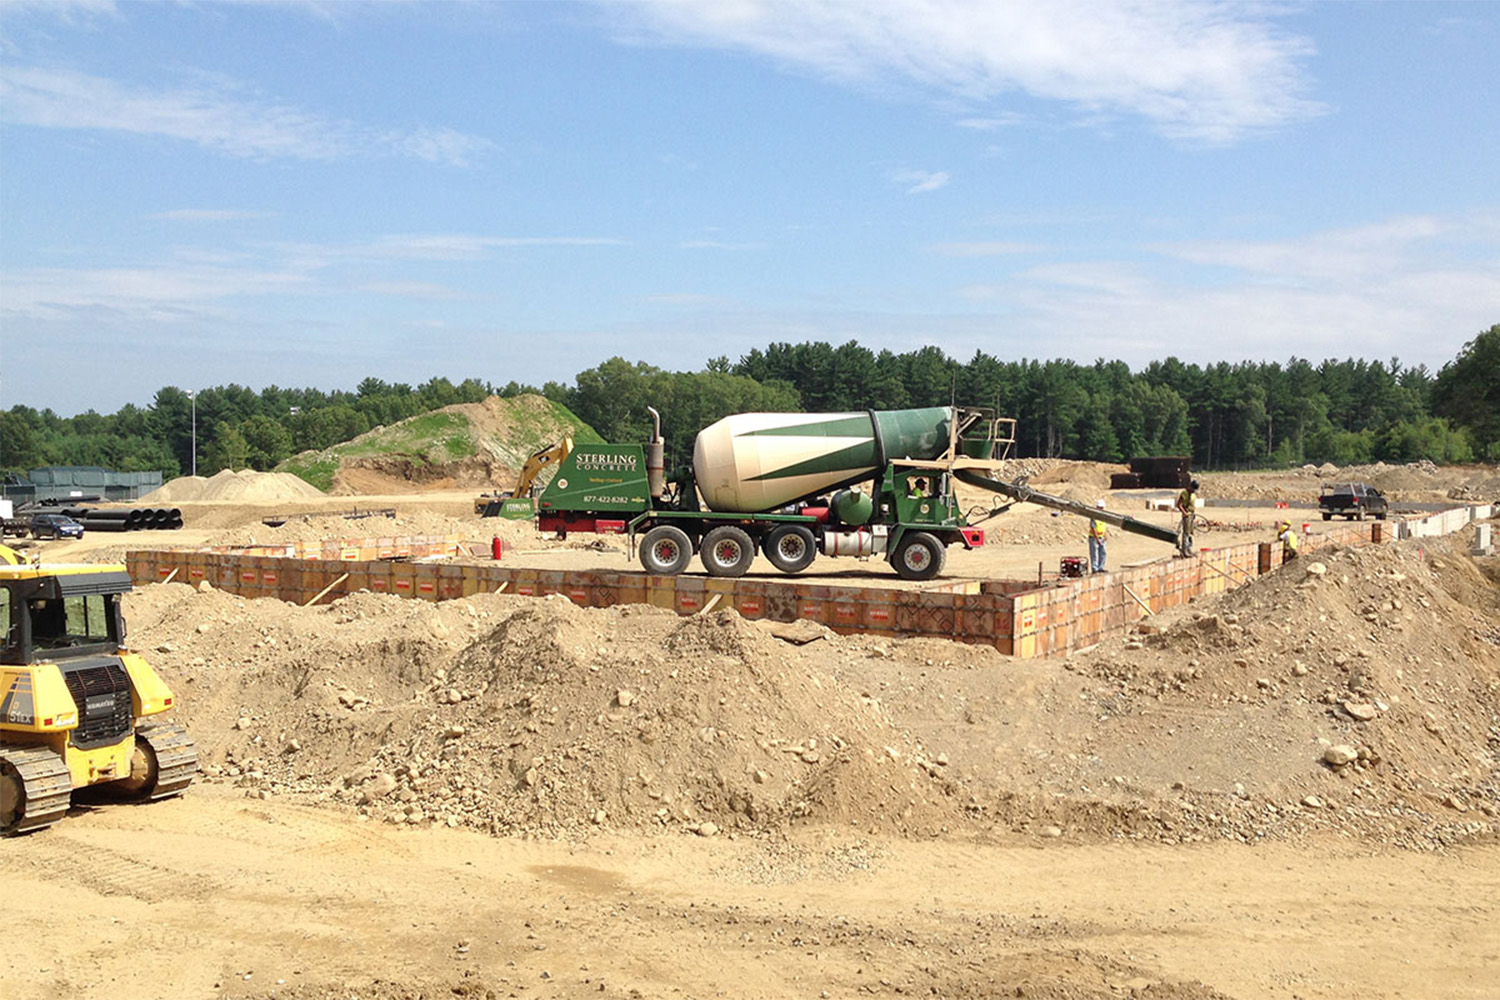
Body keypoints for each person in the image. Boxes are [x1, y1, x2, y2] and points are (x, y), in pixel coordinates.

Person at [1175, 479, 1199, 555]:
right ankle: (1184, 550)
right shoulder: (1184, 493)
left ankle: (1189, 548)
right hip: (1187, 515)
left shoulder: (1193, 494)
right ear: (1190, 486)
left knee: (1191, 532)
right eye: (1193, 489)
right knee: (1186, 533)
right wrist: (1184, 513)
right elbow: (1179, 504)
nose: (1193, 491)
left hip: (1192, 514)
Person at [1088, 499, 1108, 573]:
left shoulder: (1103, 516)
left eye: (1102, 508)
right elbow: (1093, 528)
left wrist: (1105, 534)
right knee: (1094, 553)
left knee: (1103, 552)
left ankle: (1101, 567)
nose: (1101, 509)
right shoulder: (1094, 516)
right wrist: (1097, 539)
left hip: (1101, 537)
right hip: (1094, 538)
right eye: (1100, 507)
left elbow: (1104, 526)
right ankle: (1095, 568)